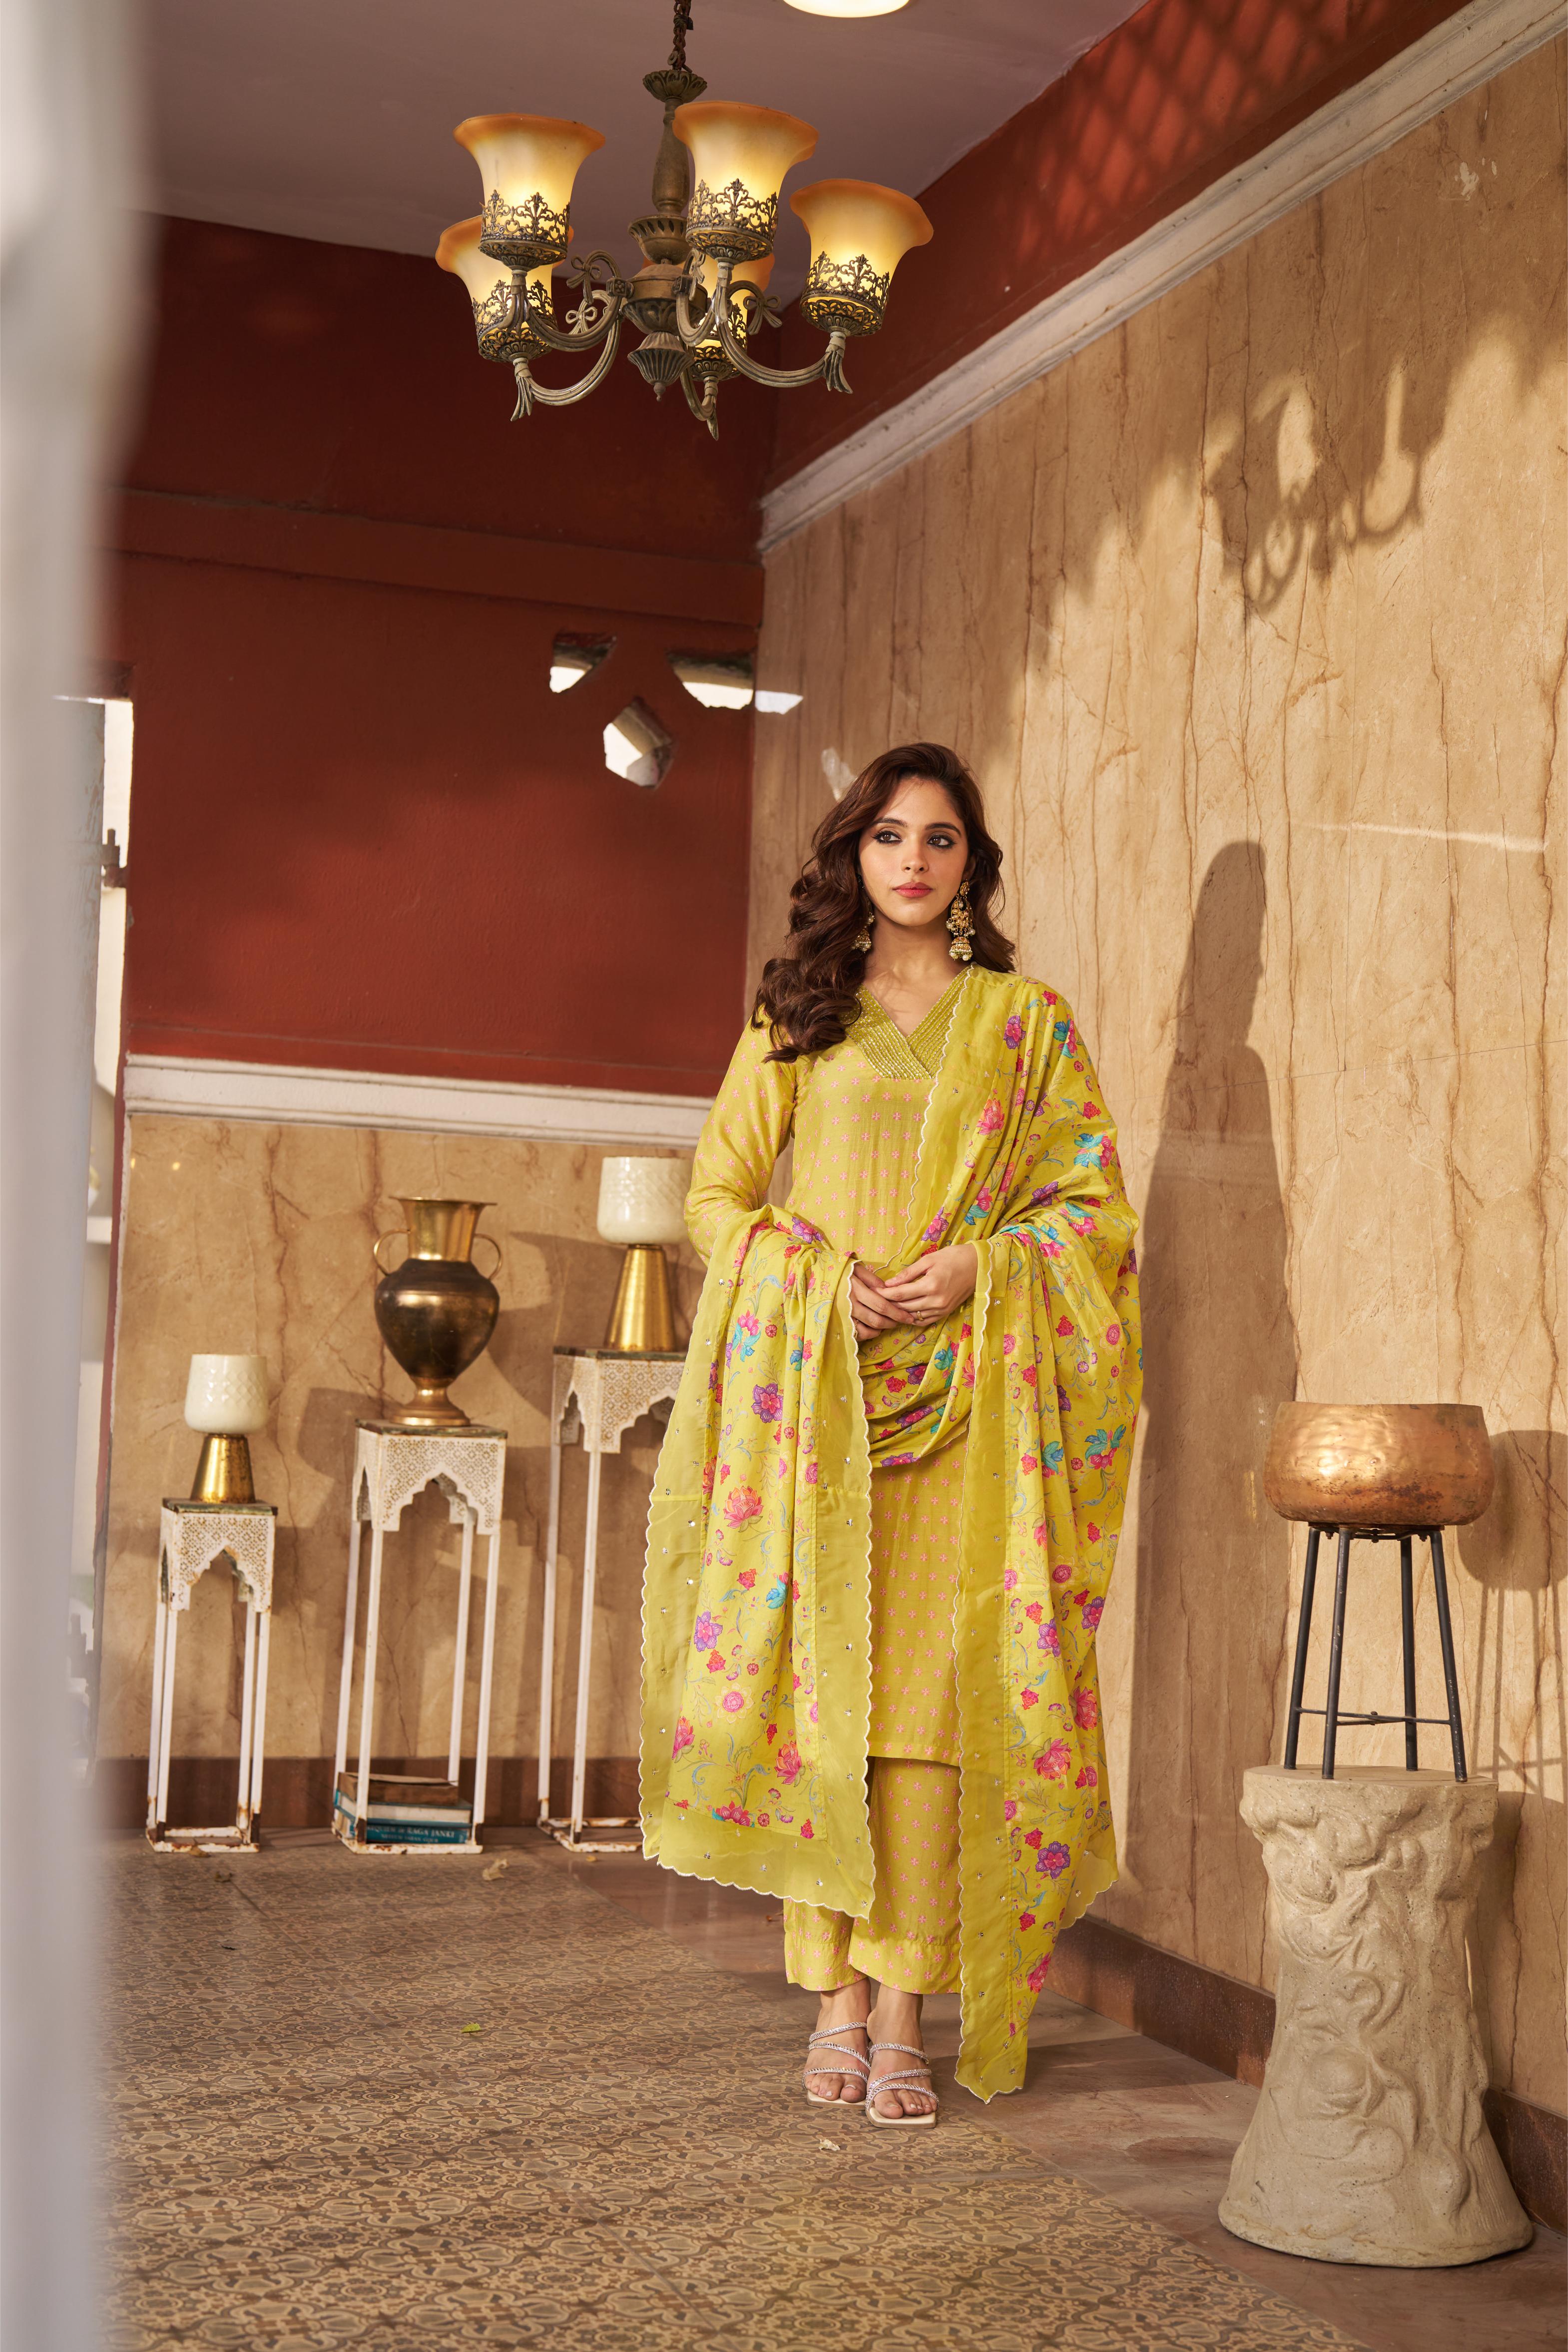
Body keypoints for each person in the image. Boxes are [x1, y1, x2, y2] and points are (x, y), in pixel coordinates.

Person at [640, 743, 1141, 2121]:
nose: (912, 860)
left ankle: (905, 2005)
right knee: (830, 1701)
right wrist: (814, 1282)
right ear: (852, 855)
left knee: (927, 1714)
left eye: (939, 838)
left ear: (971, 863)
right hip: (823, 1409)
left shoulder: (1026, 1023)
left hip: (973, 1413)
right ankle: (833, 2001)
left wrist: (987, 1265)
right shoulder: (799, 1012)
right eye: (887, 836)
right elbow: (719, 1198)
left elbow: (1094, 1215)